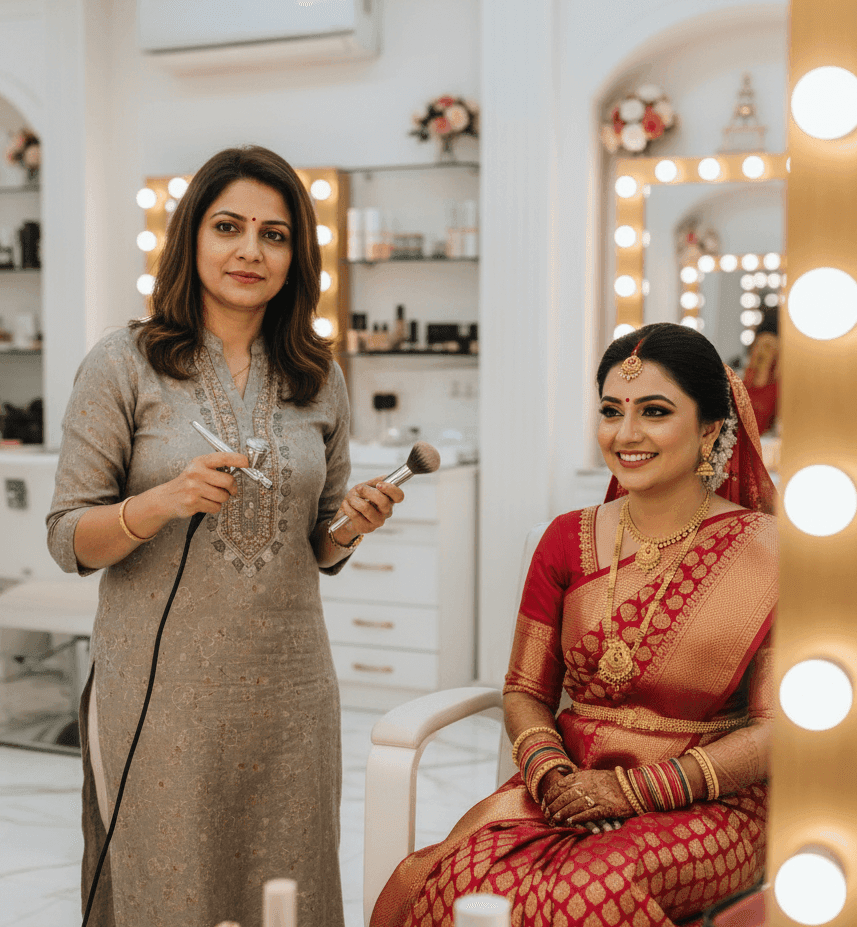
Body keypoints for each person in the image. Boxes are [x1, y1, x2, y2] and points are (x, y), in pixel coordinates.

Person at [47, 146, 403, 927]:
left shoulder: (320, 375)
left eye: (274, 235)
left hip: (292, 690)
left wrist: (353, 528)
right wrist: (161, 502)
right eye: (229, 227)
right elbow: (69, 537)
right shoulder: (124, 363)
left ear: (296, 255)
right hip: (159, 694)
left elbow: (318, 541)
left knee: (291, 886)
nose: (250, 250)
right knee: (168, 889)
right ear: (191, 239)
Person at [372, 322, 777, 927]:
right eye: (611, 411)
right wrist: (549, 771)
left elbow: (780, 730)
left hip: (712, 801)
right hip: (566, 789)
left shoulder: (769, 552)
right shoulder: (569, 538)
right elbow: (526, 691)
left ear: (711, 429)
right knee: (461, 879)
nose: (626, 433)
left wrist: (635, 792)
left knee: (590, 893)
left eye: (656, 411)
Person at [742, 307, 779, 436]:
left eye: (768, 347)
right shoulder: (741, 384)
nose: (762, 352)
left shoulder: (778, 390)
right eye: (759, 346)